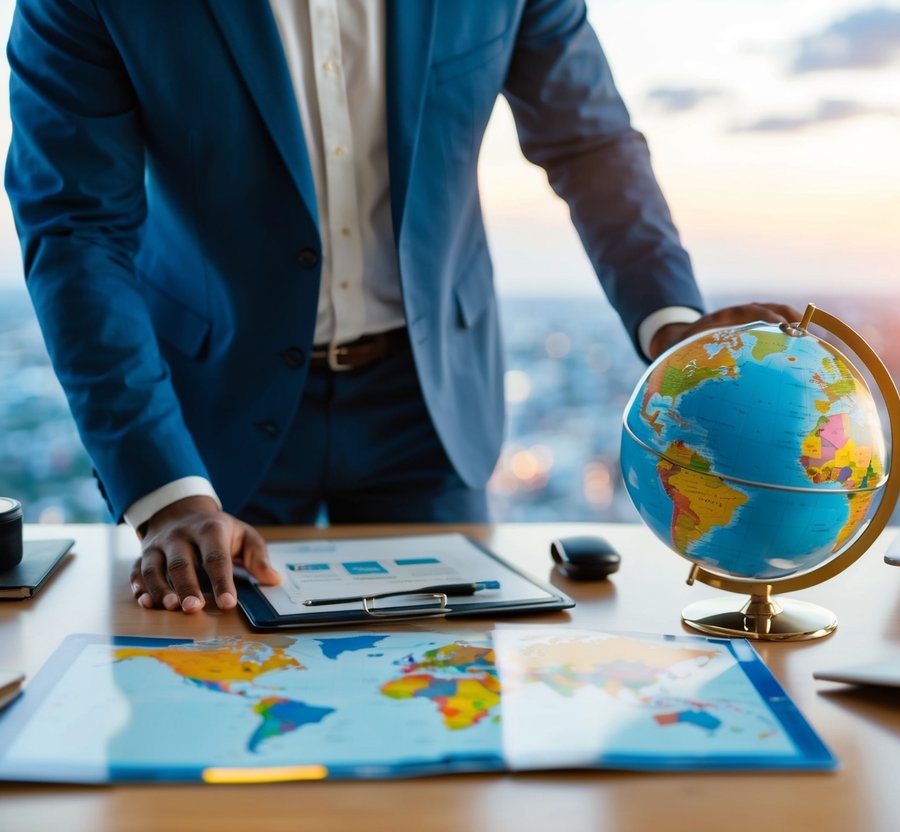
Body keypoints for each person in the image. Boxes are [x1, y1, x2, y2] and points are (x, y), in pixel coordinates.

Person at [6, 0, 800, 614]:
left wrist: (673, 325)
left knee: (444, 732)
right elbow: (75, 226)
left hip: (424, 407)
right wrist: (167, 494)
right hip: (204, 411)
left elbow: (587, 143)